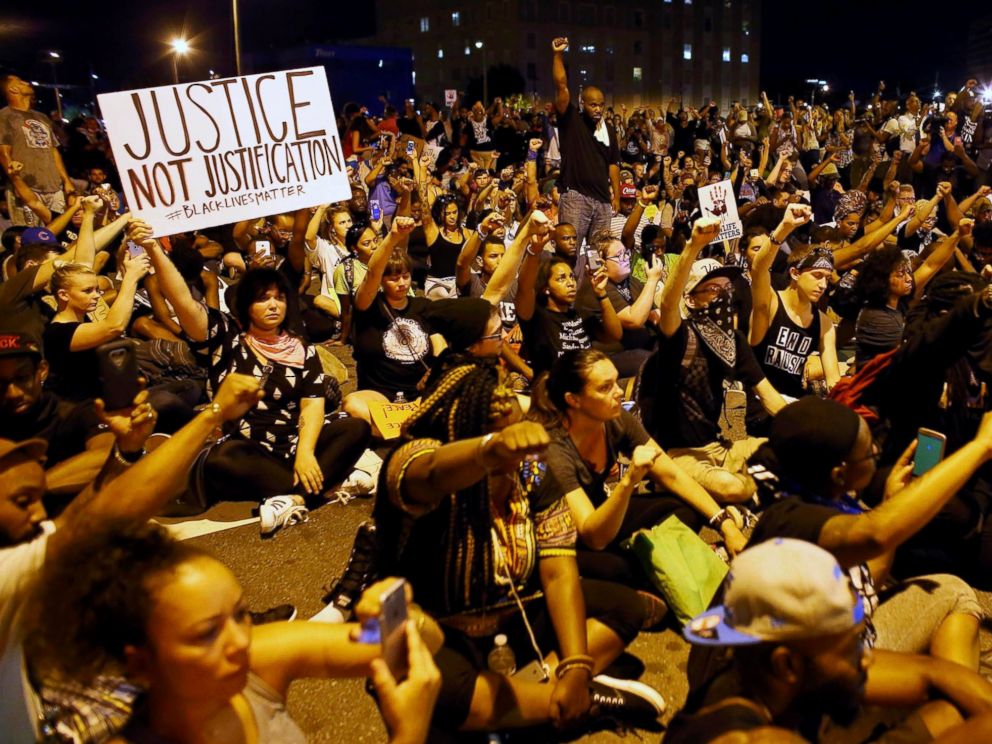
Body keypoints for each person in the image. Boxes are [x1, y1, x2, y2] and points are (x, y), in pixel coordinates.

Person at [374, 359, 665, 737]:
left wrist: (576, 666)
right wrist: (487, 452)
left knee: (625, 607)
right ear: (461, 430)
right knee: (420, 676)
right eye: (497, 433)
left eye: (513, 431)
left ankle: (536, 701)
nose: (513, 447)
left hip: (513, 618)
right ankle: (567, 705)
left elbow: (559, 570)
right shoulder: (415, 459)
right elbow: (428, 474)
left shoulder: (530, 471)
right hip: (441, 630)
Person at [26, 522, 443, 744]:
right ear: (139, 663)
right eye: (207, 634)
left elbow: (421, 642)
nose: (241, 639)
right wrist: (409, 734)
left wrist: (398, 614)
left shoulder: (258, 662)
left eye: (241, 614)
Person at [139, 220, 371, 534]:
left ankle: (293, 497)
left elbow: (312, 406)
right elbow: (182, 299)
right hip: (250, 451)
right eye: (263, 298)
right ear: (247, 306)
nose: (273, 304)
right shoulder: (225, 338)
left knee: (355, 427)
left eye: (278, 297)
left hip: (294, 446)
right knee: (223, 458)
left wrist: (304, 452)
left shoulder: (302, 350)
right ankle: (325, 482)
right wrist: (153, 248)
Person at [666, 539, 992, 743]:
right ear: (787, 663)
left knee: (952, 711)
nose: (867, 656)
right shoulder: (750, 737)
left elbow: (931, 672)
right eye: (851, 646)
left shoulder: (762, 672)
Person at [747, 397, 988, 667]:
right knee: (944, 685)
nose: (876, 448)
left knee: (952, 589)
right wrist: (980, 447)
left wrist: (889, 502)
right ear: (839, 474)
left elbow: (868, 584)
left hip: (836, 638)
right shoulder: (789, 518)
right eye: (869, 453)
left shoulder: (820, 494)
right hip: (811, 674)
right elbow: (876, 534)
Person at [529, 349, 747, 590]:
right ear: (574, 400)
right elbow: (592, 536)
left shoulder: (615, 418)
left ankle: (660, 563)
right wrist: (629, 480)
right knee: (617, 569)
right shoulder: (553, 448)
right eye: (605, 387)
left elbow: (671, 474)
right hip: (567, 537)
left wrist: (724, 524)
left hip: (604, 512)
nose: (620, 392)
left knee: (685, 508)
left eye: (616, 381)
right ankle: (667, 566)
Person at [637, 217, 787, 504]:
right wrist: (694, 245)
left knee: (790, 452)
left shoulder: (732, 341)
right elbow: (668, 303)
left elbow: (769, 398)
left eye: (726, 290)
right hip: (677, 454)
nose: (724, 297)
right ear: (692, 300)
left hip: (720, 447)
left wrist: (810, 432)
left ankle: (749, 486)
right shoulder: (681, 336)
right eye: (713, 291)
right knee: (732, 488)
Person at [551, 37, 621, 248]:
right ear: (582, 103)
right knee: (568, 252)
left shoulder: (607, 129)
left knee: (600, 256)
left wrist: (615, 196)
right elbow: (562, 86)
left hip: (602, 201)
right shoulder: (571, 119)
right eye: (593, 105)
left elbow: (613, 164)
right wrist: (557, 54)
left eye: (601, 105)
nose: (598, 109)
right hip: (575, 197)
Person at [0, 75, 76, 227]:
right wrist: (17, 182)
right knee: (33, 239)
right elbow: (3, 152)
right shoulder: (4, 116)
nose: (27, 83)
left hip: (53, 187)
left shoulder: (41, 117)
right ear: (13, 89)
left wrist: (66, 181)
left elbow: (53, 150)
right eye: (21, 82)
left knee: (60, 234)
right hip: (27, 189)